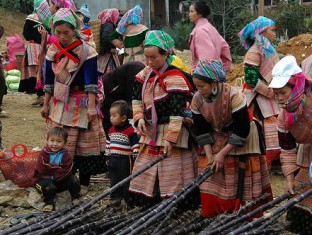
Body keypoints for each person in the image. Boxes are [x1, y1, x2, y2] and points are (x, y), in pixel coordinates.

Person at [191, 58, 272, 218]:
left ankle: (244, 213)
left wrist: (222, 153)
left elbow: (242, 128)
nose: (199, 90)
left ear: (214, 83)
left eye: (202, 86)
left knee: (240, 170)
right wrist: (209, 154)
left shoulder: (234, 95)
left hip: (243, 133)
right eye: (196, 86)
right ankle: (214, 212)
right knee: (210, 168)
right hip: (216, 133)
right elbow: (201, 129)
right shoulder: (197, 100)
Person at [40, 8, 106, 196]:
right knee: (60, 142)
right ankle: (64, 179)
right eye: (58, 33)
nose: (62, 36)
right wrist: (46, 104)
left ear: (74, 30)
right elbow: (48, 81)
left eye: (66, 33)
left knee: (84, 145)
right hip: (60, 102)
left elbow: (91, 83)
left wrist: (92, 108)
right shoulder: (53, 50)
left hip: (82, 102)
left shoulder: (87, 52)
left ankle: (83, 182)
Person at [129, 30, 197, 207]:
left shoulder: (175, 77)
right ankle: (146, 204)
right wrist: (139, 118)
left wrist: (170, 138)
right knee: (146, 169)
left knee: (172, 170)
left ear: (166, 54)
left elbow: (177, 112)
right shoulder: (145, 74)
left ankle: (174, 206)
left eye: (154, 58)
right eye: (147, 58)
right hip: (151, 129)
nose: (150, 62)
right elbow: (136, 97)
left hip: (172, 128)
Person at [269, 55, 312, 235]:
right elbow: (286, 147)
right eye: (276, 93)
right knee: (302, 199)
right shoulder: (283, 117)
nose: (279, 98)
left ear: (296, 87)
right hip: (307, 152)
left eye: (283, 93)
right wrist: (289, 177)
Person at [238, 16, 280, 168]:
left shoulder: (268, 49)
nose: (274, 34)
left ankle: (275, 160)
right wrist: (271, 92)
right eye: (272, 31)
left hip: (270, 94)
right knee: (262, 127)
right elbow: (251, 79)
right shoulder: (254, 52)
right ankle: (262, 160)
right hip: (257, 97)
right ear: (262, 32)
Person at [34, 126, 81, 212]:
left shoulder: (65, 154)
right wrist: (59, 168)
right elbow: (43, 169)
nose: (55, 144)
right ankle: (49, 203)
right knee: (49, 186)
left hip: (58, 180)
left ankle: (75, 197)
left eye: (59, 141)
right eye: (52, 140)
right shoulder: (43, 154)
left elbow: (67, 169)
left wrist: (52, 175)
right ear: (47, 140)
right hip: (42, 180)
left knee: (73, 179)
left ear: (65, 143)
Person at [105, 100, 139, 206]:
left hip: (125, 160)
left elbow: (135, 145)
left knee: (126, 180)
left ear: (123, 118)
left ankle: (129, 200)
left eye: (114, 116)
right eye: (110, 115)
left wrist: (135, 155)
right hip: (113, 159)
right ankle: (116, 198)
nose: (111, 118)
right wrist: (107, 157)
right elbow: (108, 144)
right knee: (114, 179)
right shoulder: (111, 130)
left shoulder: (130, 131)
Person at [101, 61, 146, 137]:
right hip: (108, 94)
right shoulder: (136, 69)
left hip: (117, 95)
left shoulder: (141, 70)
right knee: (111, 124)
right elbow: (131, 95)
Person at [188, 1, 231, 74]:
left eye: (192, 11)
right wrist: (224, 67)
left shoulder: (200, 31)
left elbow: (206, 58)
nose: (189, 14)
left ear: (200, 14)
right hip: (216, 71)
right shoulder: (210, 28)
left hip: (206, 75)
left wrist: (200, 74)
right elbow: (225, 47)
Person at [19, 12, 44, 105]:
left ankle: (41, 95)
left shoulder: (30, 19)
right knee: (41, 71)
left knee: (34, 71)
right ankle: (41, 95)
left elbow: (26, 34)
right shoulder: (43, 20)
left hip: (33, 48)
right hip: (42, 47)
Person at [97, 8, 120, 76]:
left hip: (103, 54)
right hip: (108, 55)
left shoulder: (103, 24)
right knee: (109, 74)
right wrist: (109, 49)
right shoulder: (109, 25)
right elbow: (105, 37)